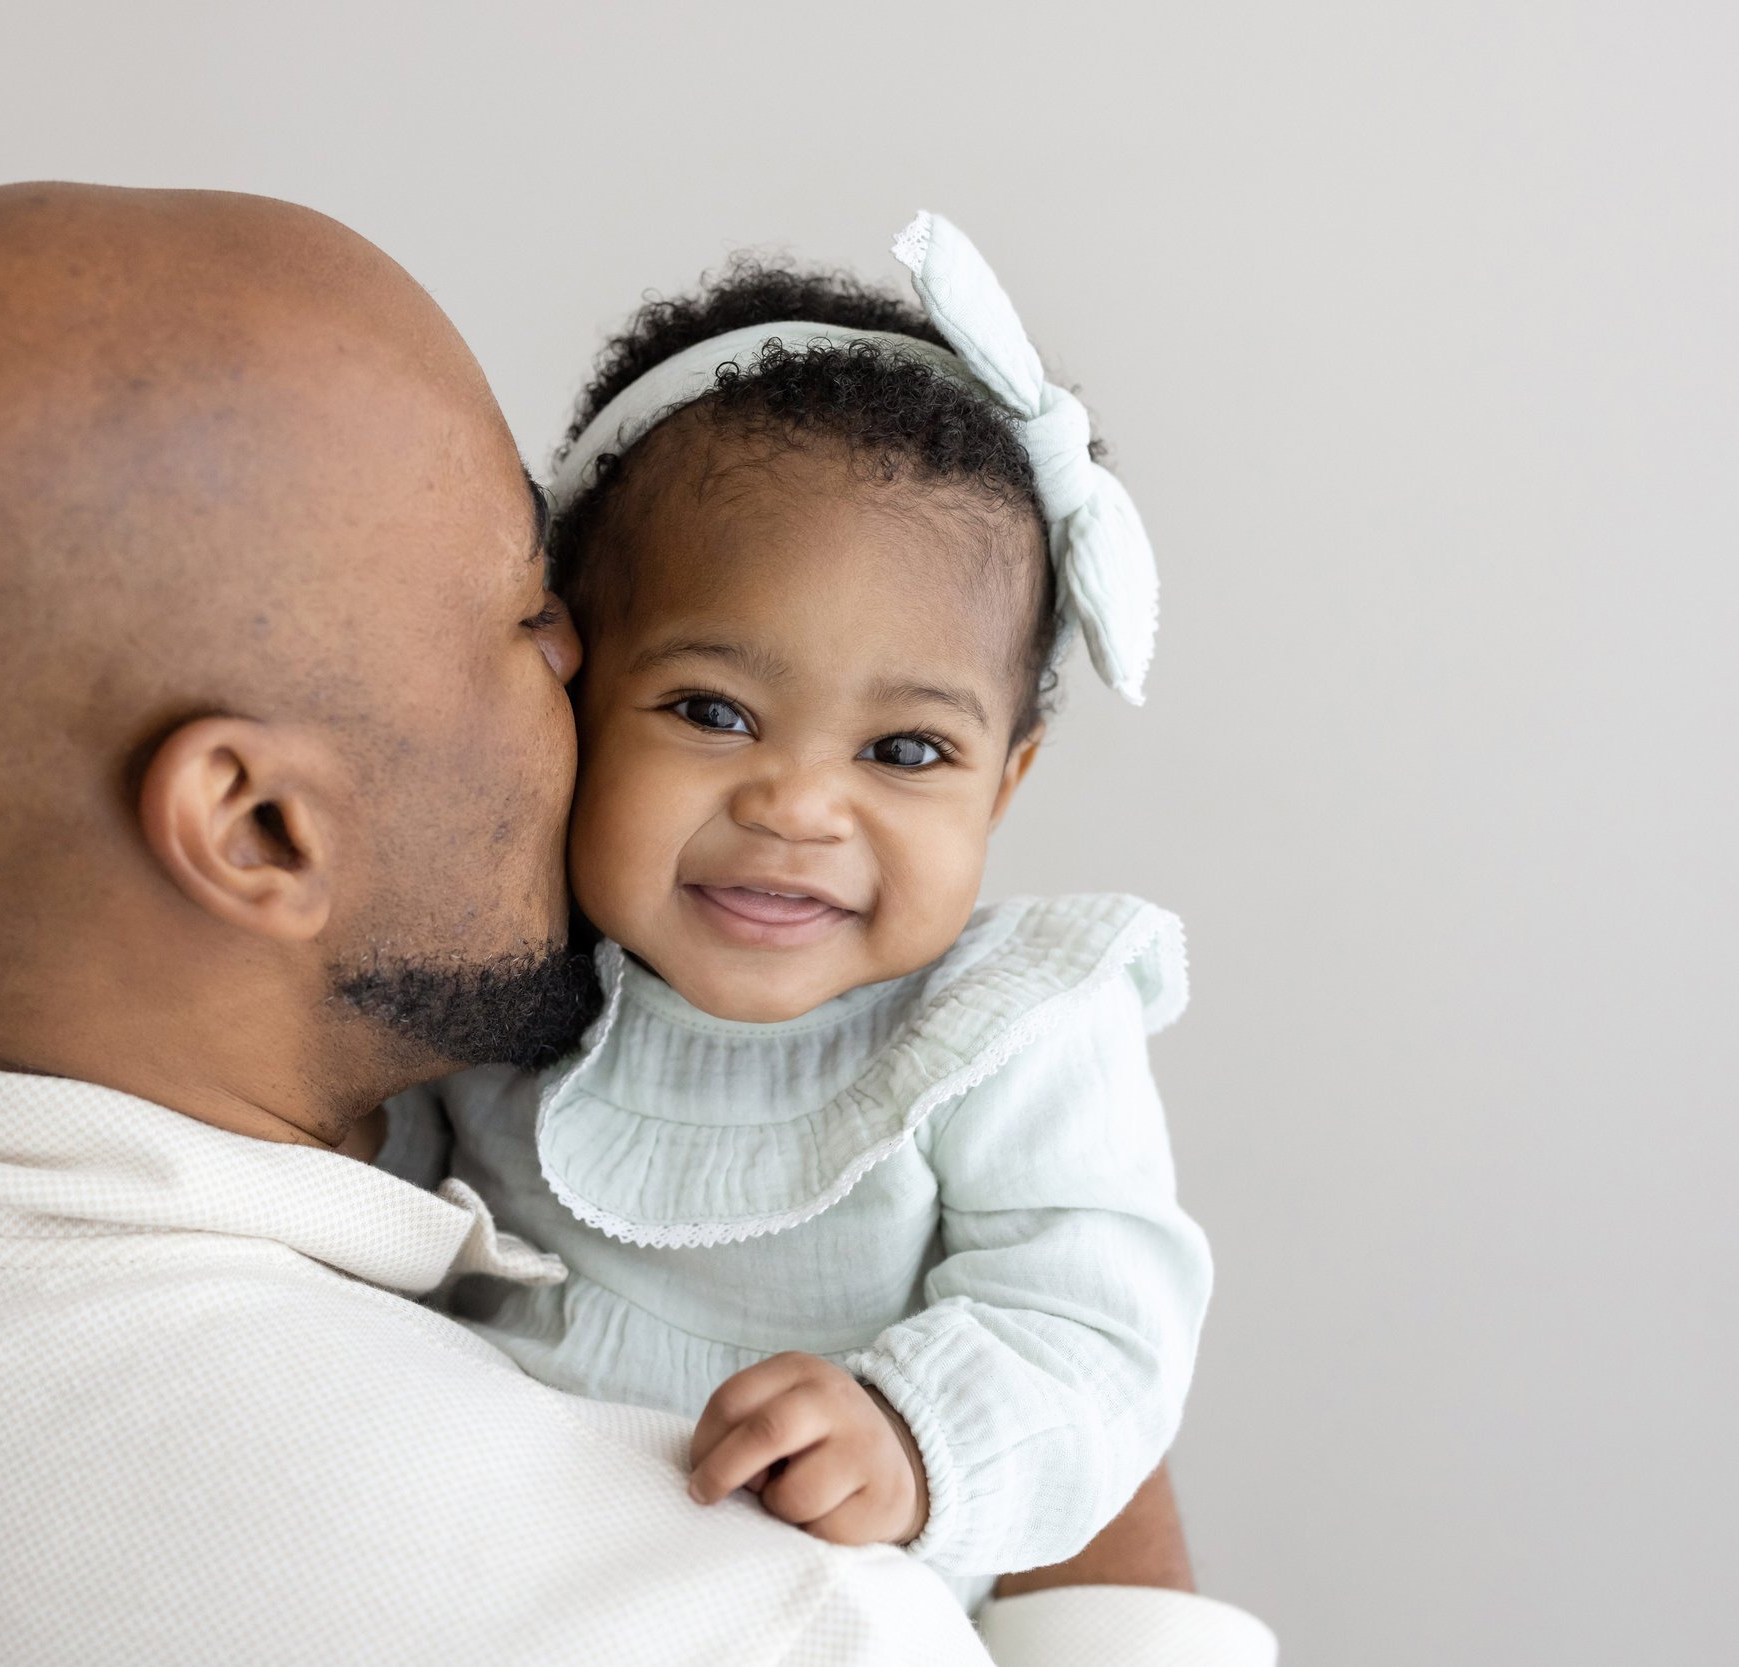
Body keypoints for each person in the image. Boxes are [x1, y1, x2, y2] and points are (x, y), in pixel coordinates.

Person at [0, 184, 1269, 1665]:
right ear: (255, 824)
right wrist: (1086, 1527)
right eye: (536, 623)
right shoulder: (670, 1586)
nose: (592, 685)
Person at [382, 206, 1235, 1621]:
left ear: (1005, 785)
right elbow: (368, 1194)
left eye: (905, 752)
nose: (799, 808)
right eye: (714, 713)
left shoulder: (1007, 1027)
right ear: (572, 691)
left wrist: (910, 1436)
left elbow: (1097, 1331)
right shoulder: (509, 957)